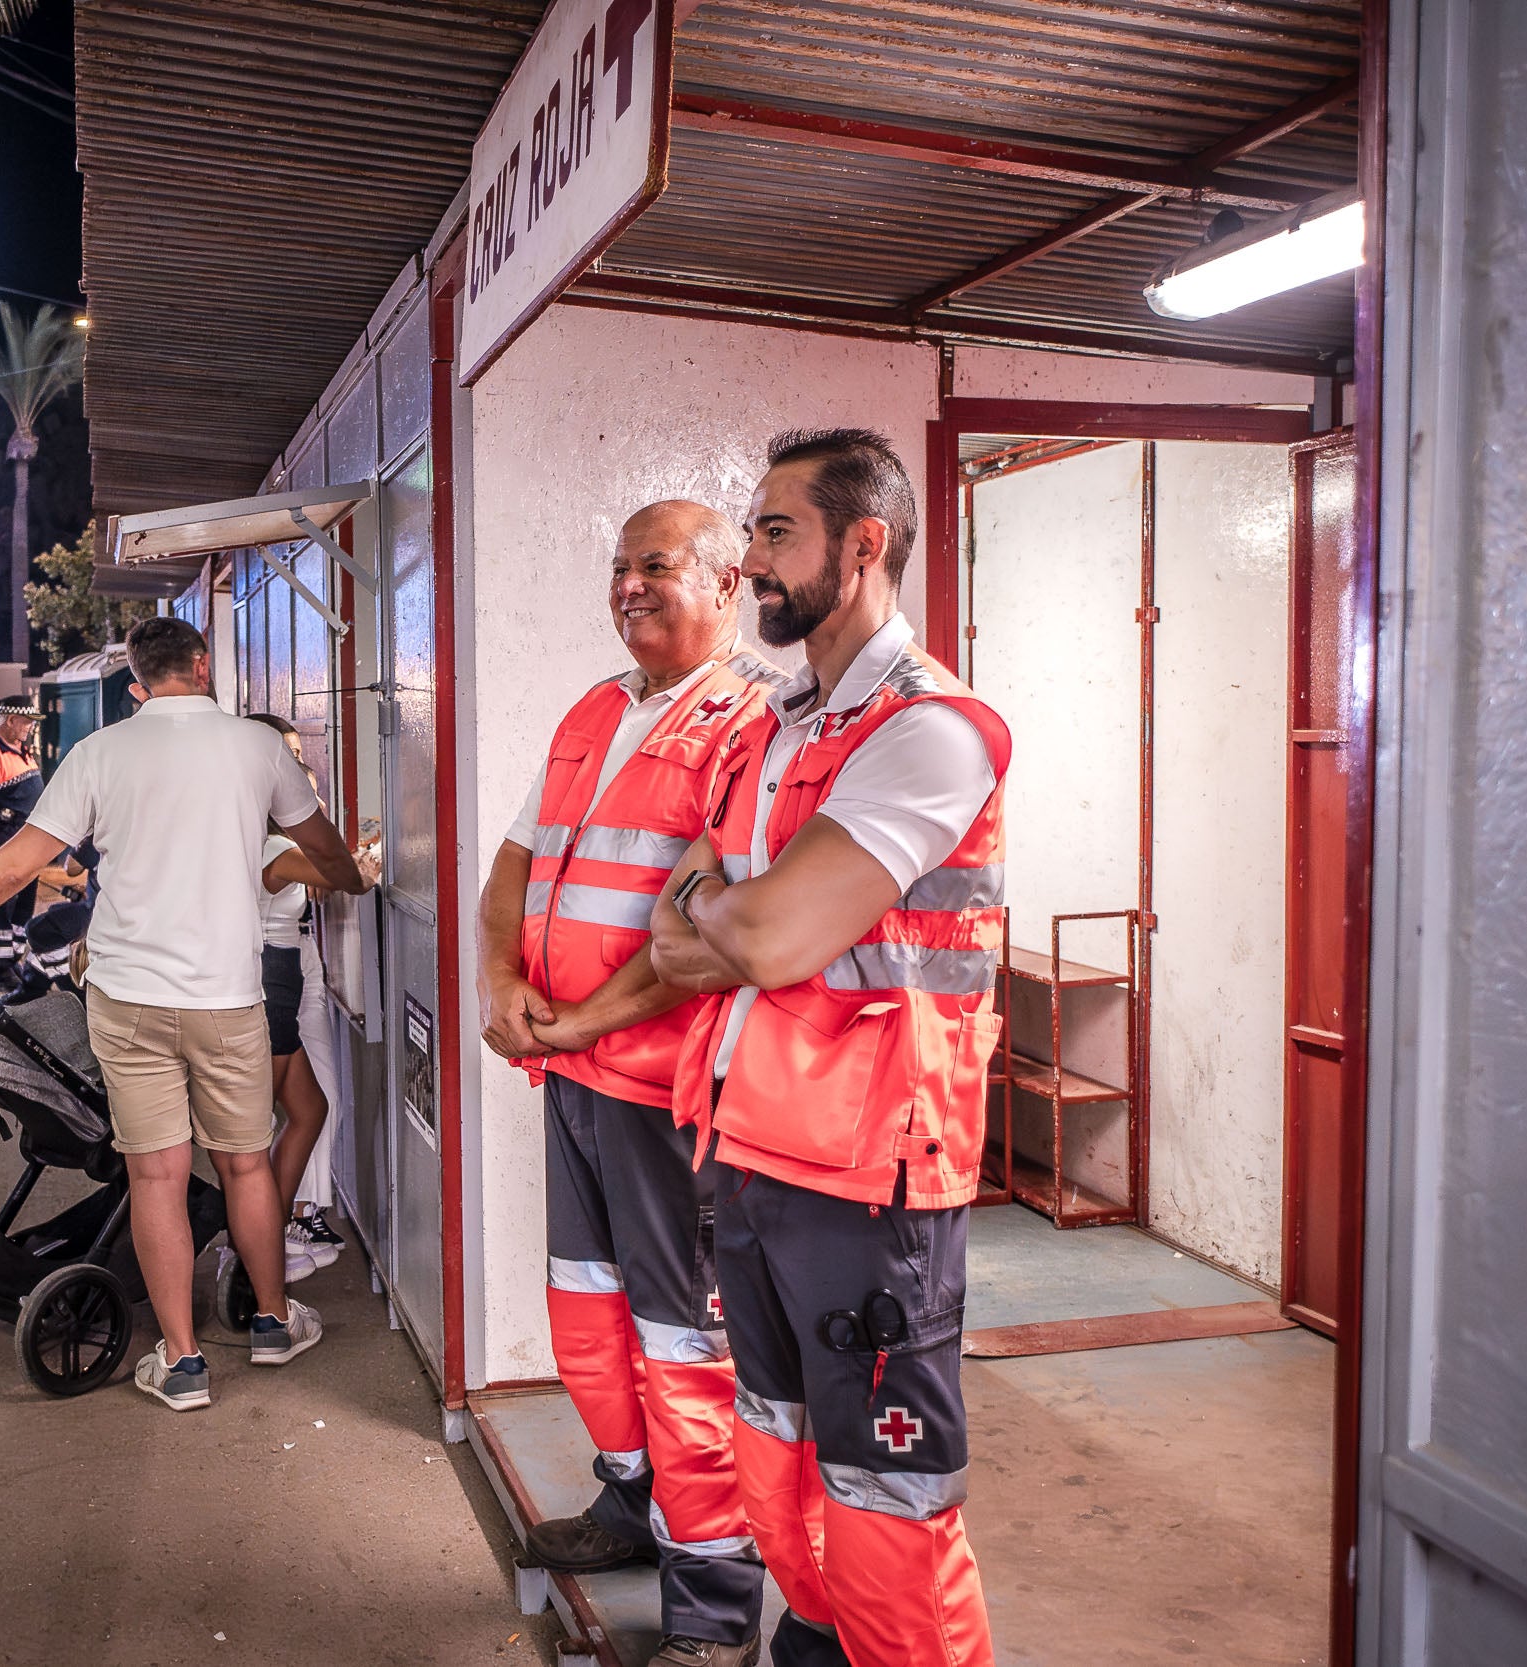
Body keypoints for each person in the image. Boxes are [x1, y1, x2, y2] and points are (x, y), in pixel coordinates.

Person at [647, 430, 1012, 1667]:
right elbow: (684, 926)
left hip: (872, 1176)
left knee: (886, 1501)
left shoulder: (931, 729)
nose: (749, 560)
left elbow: (759, 928)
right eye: (752, 530)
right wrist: (735, 921)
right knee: (779, 1458)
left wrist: (736, 919)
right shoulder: (779, 729)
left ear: (863, 545)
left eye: (775, 531)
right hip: (751, 1145)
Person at [0, 617, 364, 1415]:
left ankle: (182, 1363)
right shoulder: (259, 748)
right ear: (202, 666)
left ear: (136, 682)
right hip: (228, 997)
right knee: (245, 1163)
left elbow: (14, 865)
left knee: (155, 1173)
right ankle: (272, 1322)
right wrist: (351, 878)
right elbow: (325, 850)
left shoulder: (98, 753)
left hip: (128, 1000)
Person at [475, 501, 783, 1667]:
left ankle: (713, 1605)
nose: (629, 584)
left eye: (655, 564)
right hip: (574, 1076)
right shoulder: (595, 708)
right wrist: (500, 979)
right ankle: (630, 1497)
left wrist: (576, 1023)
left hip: (670, 1093)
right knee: (590, 1306)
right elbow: (515, 862)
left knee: (683, 1338)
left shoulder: (755, 721)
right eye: (618, 566)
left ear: (725, 581)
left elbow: (711, 926)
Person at [243, 714, 374, 1275]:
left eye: (300, 755)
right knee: (272, 1123)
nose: (300, 766)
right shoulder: (270, 843)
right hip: (269, 977)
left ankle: (276, 1234)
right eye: (287, 757)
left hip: (290, 968)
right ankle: (262, 1248)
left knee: (313, 1106)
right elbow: (353, 877)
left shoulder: (277, 839)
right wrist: (363, 857)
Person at [0, 695, 45, 987]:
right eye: (27, 722)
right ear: (11, 720)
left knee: (22, 905)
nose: (30, 727)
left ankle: (12, 961)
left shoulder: (21, 749)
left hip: (26, 841)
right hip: (4, 838)